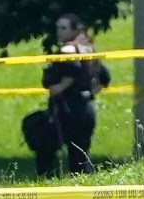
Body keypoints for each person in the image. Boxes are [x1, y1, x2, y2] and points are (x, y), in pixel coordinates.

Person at [32, 14, 110, 176]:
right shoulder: (88, 49)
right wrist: (89, 94)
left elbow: (72, 69)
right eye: (58, 28)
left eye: (64, 28)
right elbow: (104, 78)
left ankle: (47, 185)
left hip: (66, 108)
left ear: (75, 30)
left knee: (44, 144)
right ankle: (83, 189)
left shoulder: (67, 50)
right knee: (80, 155)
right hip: (86, 108)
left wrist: (61, 86)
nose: (59, 32)